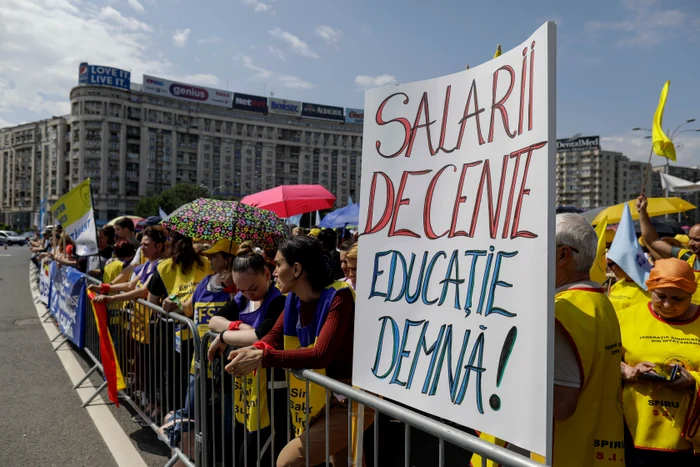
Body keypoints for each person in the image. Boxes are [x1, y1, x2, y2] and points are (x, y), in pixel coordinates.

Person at [225, 236, 373, 467]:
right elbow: (272, 337)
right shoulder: (293, 299)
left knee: (288, 461)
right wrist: (251, 351)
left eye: (278, 264)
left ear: (296, 269)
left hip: (348, 399)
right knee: (346, 463)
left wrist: (262, 357)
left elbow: (320, 354)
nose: (273, 272)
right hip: (322, 396)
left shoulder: (339, 296)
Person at [551, 213, 625, 466]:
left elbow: (561, 405)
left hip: (557, 451)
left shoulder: (561, 312)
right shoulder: (599, 300)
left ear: (563, 255)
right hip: (590, 448)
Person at [159, 238, 238, 465]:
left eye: (215, 256)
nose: (209, 259)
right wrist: (171, 304)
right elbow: (188, 307)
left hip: (228, 368)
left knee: (226, 425)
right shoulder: (204, 282)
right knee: (191, 416)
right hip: (200, 364)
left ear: (228, 259)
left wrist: (233, 289)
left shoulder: (241, 288)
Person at [207, 244, 287, 466]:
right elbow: (213, 321)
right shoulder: (243, 299)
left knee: (256, 455)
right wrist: (237, 326)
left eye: (253, 287)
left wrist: (224, 336)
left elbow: (260, 336)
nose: (249, 294)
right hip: (245, 392)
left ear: (267, 274)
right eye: (241, 290)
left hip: (269, 392)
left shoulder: (278, 299)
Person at [618, 258, 700, 466]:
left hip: (691, 436)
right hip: (635, 428)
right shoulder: (625, 318)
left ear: (691, 294)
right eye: (660, 296)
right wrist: (625, 370)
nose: (667, 304)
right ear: (650, 290)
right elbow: (602, 358)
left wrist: (693, 379)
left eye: (678, 299)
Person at [638, 194, 700, 304]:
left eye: (696, 240)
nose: (690, 243)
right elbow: (653, 241)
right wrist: (642, 212)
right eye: (690, 238)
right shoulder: (687, 256)